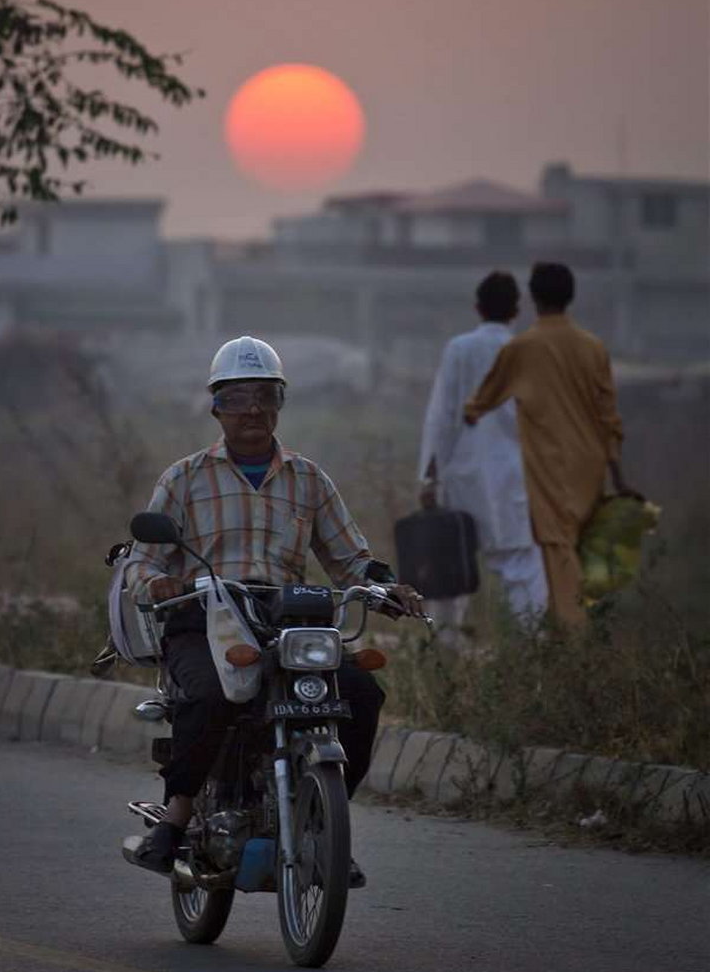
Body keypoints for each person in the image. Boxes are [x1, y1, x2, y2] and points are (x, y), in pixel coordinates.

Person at [122, 335, 423, 880]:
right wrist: (159, 585)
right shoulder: (183, 478)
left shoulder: (309, 479)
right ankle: (177, 815)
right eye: (238, 398)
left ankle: (325, 821)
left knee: (360, 692)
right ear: (216, 406)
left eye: (266, 396)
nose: (253, 409)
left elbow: (351, 558)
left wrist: (385, 587)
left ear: (281, 404)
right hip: (205, 617)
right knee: (208, 696)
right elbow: (142, 563)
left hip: (289, 619)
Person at [464, 262, 631, 628]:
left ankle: (570, 638)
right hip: (590, 465)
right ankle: (579, 624)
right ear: (570, 297)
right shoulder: (593, 347)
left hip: (549, 465)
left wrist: (469, 414)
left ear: (533, 298)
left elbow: (480, 401)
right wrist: (616, 472)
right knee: (578, 547)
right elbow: (608, 415)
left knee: (556, 546)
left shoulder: (523, 348)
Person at [417, 272, 548, 635]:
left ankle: (445, 643)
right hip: (514, 475)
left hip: (462, 472)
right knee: (520, 563)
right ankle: (534, 642)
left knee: (452, 558)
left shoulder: (460, 348)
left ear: (478, 308)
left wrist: (430, 475)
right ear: (516, 311)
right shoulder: (526, 351)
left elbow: (442, 417)